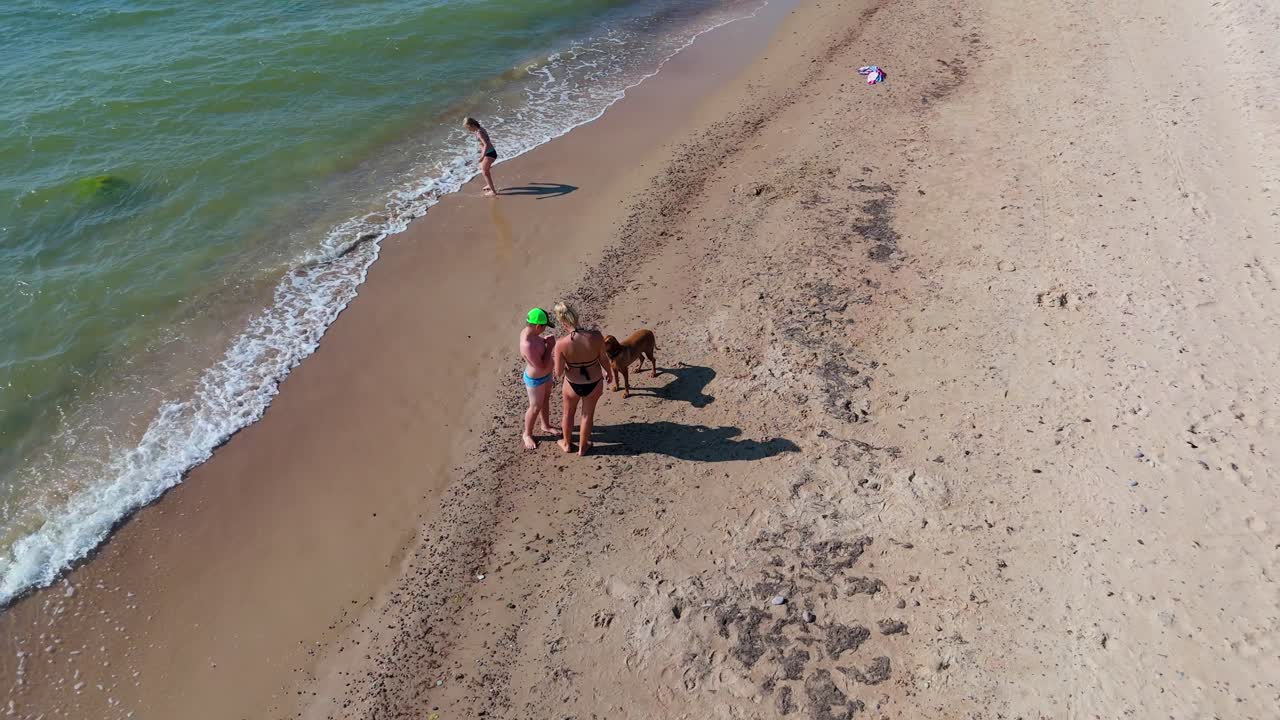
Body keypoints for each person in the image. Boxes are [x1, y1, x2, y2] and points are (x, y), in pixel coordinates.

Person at [552, 302, 614, 456]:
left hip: (572, 384)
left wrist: (568, 366)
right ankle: (583, 447)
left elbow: (558, 372)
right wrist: (609, 372)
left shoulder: (561, 344)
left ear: (562, 322)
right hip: (594, 382)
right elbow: (604, 359)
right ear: (576, 316)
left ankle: (567, 444)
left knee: (568, 414)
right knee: (587, 415)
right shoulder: (596, 336)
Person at [520, 308, 559, 450]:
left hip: (546, 376)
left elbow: (538, 342)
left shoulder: (530, 331)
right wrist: (550, 347)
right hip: (535, 380)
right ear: (538, 326)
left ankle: (545, 425)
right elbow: (541, 366)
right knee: (535, 407)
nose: (544, 329)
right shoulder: (527, 344)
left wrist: (544, 341)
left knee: (546, 399)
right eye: (544, 327)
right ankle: (527, 434)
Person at [464, 117, 499, 196]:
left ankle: (493, 191)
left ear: (472, 125)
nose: (468, 130)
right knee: (485, 170)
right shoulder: (480, 129)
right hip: (491, 152)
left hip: (489, 154)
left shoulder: (479, 133)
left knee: (485, 172)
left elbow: (486, 144)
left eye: (468, 128)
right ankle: (489, 185)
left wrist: (483, 156)